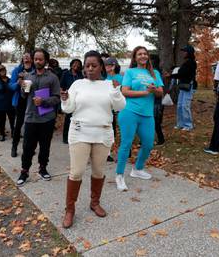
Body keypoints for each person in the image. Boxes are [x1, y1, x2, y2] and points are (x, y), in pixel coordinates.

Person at [60, 50, 126, 228]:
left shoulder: (109, 85)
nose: (89, 69)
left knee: (98, 171)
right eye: (87, 65)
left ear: (101, 67)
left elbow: (120, 106)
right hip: (80, 132)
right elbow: (68, 109)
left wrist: (115, 91)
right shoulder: (77, 85)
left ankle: (94, 202)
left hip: (102, 133)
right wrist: (65, 100)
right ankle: (70, 209)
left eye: (94, 65)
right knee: (77, 172)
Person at [115, 46, 164, 191]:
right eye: (139, 54)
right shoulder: (130, 72)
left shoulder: (154, 73)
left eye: (145, 54)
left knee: (148, 143)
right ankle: (119, 175)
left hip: (147, 114)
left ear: (148, 56)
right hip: (129, 112)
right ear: (135, 58)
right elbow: (124, 91)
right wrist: (145, 92)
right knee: (126, 144)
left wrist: (154, 90)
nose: (143, 56)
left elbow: (160, 93)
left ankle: (137, 169)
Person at [16, 48, 61, 186]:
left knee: (45, 146)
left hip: (47, 118)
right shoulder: (28, 77)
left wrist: (44, 102)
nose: (37, 61)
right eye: (35, 59)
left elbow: (57, 98)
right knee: (28, 147)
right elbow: (24, 96)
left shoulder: (52, 77)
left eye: (40, 59)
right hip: (30, 117)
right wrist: (22, 87)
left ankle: (43, 168)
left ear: (45, 61)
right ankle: (24, 171)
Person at [10, 52, 35, 157]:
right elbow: (11, 86)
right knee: (19, 124)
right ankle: (14, 147)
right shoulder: (17, 70)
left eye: (28, 57)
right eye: (24, 57)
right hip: (20, 101)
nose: (26, 58)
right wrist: (18, 83)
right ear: (22, 59)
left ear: (32, 59)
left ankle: (29, 148)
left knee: (31, 125)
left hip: (32, 101)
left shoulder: (35, 70)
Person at [172, 45, 197, 131]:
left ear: (189, 53)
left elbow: (183, 74)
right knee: (179, 105)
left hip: (189, 86)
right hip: (183, 85)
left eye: (185, 51)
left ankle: (188, 125)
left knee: (185, 106)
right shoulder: (186, 62)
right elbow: (182, 72)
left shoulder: (191, 62)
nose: (183, 53)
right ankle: (180, 124)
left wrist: (170, 76)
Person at [60, 59, 84, 144]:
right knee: (68, 118)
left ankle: (76, 136)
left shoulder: (80, 75)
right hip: (69, 98)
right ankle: (65, 137)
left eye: (78, 64)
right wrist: (63, 97)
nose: (76, 65)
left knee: (78, 118)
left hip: (78, 99)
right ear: (71, 64)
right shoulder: (66, 74)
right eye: (75, 64)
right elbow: (61, 86)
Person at [105, 57, 123, 161]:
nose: (108, 67)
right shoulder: (105, 78)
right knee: (109, 131)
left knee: (122, 129)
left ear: (115, 66)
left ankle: (125, 150)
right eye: (106, 65)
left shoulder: (120, 78)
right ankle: (107, 153)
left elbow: (123, 92)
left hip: (119, 107)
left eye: (110, 65)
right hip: (108, 108)